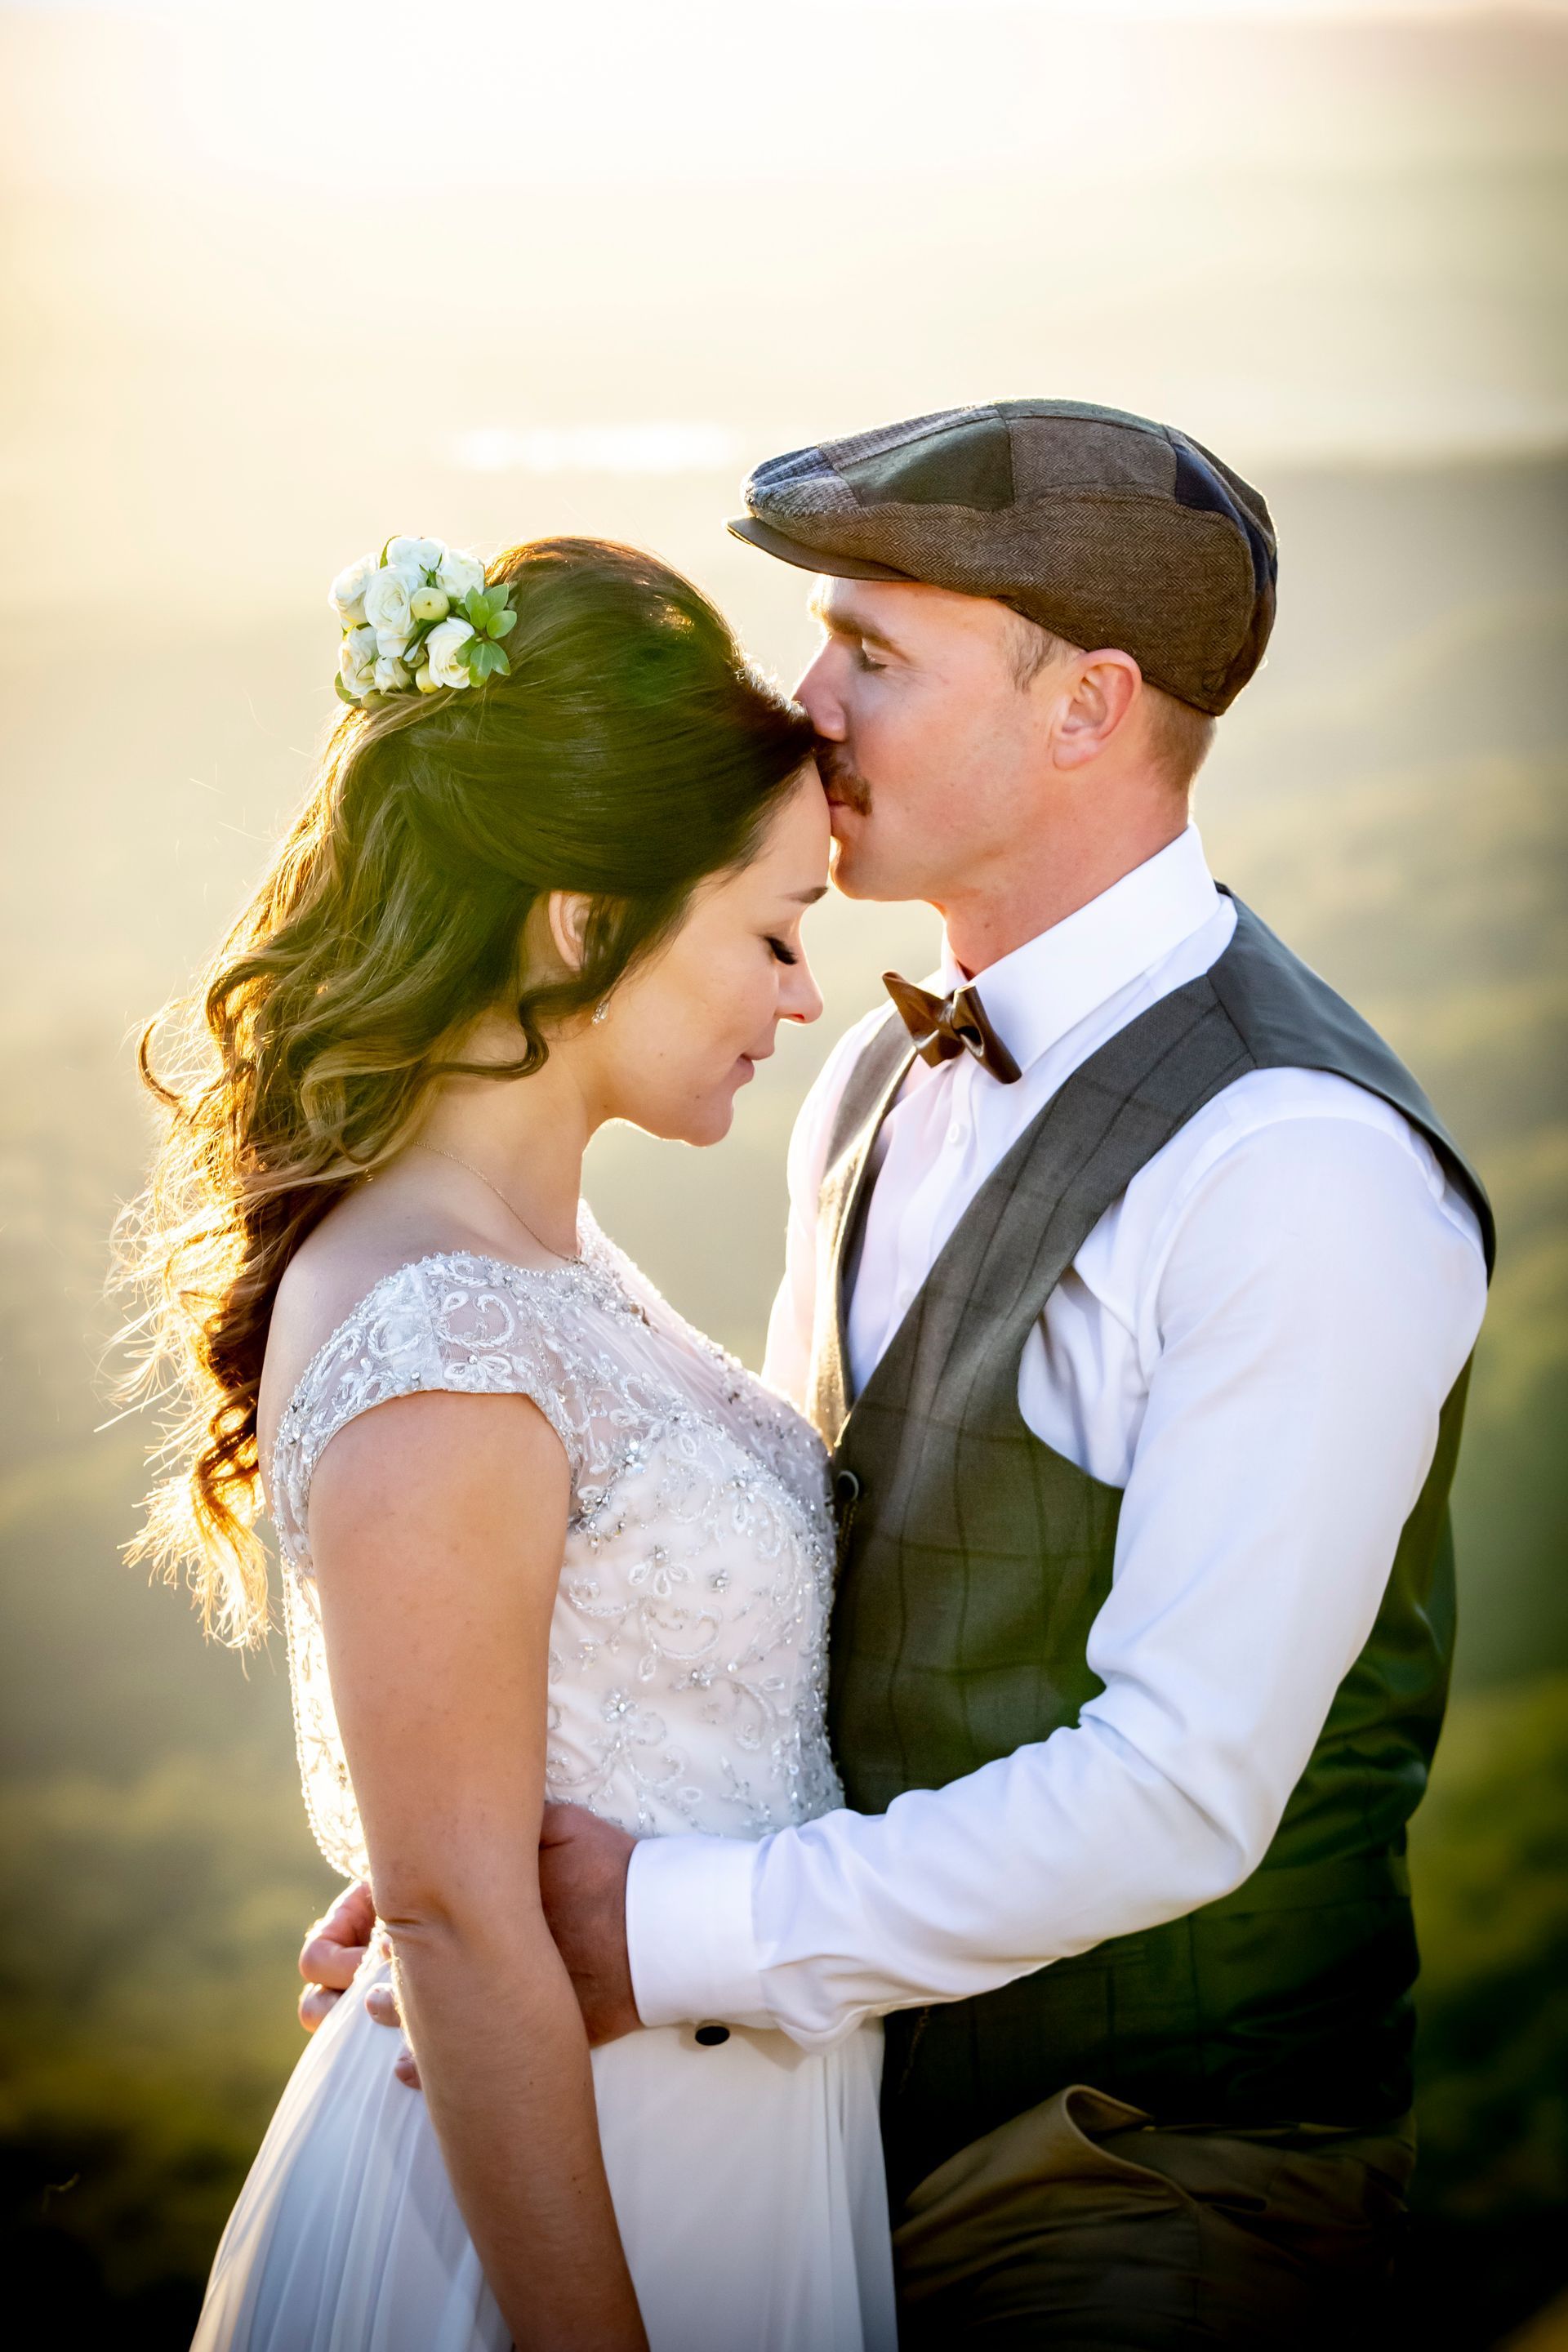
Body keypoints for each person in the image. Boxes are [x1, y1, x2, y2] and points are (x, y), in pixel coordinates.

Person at [305, 403, 1494, 2345]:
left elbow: (1187, 1790)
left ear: (1089, 707)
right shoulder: (866, 1075)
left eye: (874, 652)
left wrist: (651, 1927)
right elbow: (790, 1596)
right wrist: (466, 1893)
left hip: (1149, 2169)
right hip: (826, 2125)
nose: (808, 703)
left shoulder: (1301, 1167)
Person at [126, 534, 897, 2352]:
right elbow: (466, 1930)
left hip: (726, 2145)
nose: (802, 1000)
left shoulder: (535, 1262)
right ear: (581, 921)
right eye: (774, 933)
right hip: (568, 2223)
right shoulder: (451, 1341)